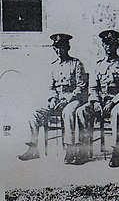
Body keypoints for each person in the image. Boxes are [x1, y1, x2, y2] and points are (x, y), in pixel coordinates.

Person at [18, 33, 87, 162]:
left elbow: (80, 88)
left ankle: (70, 149)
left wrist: (66, 100)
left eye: (62, 47)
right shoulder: (53, 65)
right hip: (57, 99)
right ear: (54, 48)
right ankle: (33, 148)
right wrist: (52, 98)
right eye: (56, 47)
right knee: (34, 113)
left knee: (68, 111)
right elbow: (50, 87)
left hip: (72, 99)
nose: (59, 51)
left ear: (67, 47)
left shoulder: (77, 64)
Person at [71, 30, 119, 166]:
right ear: (103, 45)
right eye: (106, 44)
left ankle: (116, 151)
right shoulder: (98, 65)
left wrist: (112, 102)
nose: (108, 48)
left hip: (116, 101)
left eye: (111, 45)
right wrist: (96, 102)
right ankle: (83, 151)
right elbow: (93, 88)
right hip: (100, 101)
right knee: (81, 111)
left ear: (116, 45)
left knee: (117, 113)